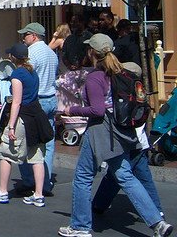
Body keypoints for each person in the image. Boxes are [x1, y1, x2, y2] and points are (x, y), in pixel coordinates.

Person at [58, 34, 171, 237]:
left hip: (100, 131)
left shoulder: (95, 77)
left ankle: (80, 226)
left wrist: (72, 110)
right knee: (125, 175)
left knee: (83, 177)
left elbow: (97, 110)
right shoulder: (120, 72)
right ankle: (157, 222)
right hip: (120, 129)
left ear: (91, 52)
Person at [91, 61, 166, 221]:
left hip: (130, 142)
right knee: (142, 176)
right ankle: (157, 209)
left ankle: (99, 204)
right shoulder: (139, 95)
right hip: (140, 143)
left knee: (118, 175)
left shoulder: (127, 97)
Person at [0, 43, 51, 208]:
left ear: (13, 57)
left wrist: (11, 126)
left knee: (7, 153)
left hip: (23, 118)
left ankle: (2, 191)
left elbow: (17, 102)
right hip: (37, 116)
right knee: (37, 157)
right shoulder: (32, 72)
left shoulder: (17, 74)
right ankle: (39, 194)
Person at [17, 22, 59, 196]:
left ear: (34, 35)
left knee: (27, 142)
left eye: (25, 35)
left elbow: (27, 77)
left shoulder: (32, 53)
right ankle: (45, 182)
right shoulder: (52, 53)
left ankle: (30, 180)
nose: (23, 38)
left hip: (36, 100)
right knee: (47, 143)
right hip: (51, 98)